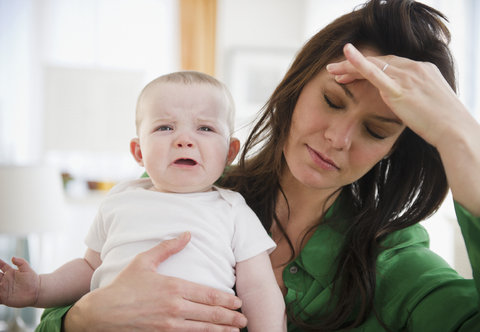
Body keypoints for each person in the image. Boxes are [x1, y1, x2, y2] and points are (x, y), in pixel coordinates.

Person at [25, 0, 480, 330]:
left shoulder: (393, 261)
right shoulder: (178, 186)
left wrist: (461, 133)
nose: (338, 139)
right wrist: (86, 319)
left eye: (376, 131)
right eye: (333, 101)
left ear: (393, 150)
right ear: (296, 87)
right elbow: (60, 308)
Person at [0, 71, 286, 332]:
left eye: (205, 129)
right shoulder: (120, 199)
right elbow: (89, 269)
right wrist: (39, 288)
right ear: (138, 151)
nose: (184, 140)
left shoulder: (233, 209)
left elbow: (259, 289)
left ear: (230, 151)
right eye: (165, 128)